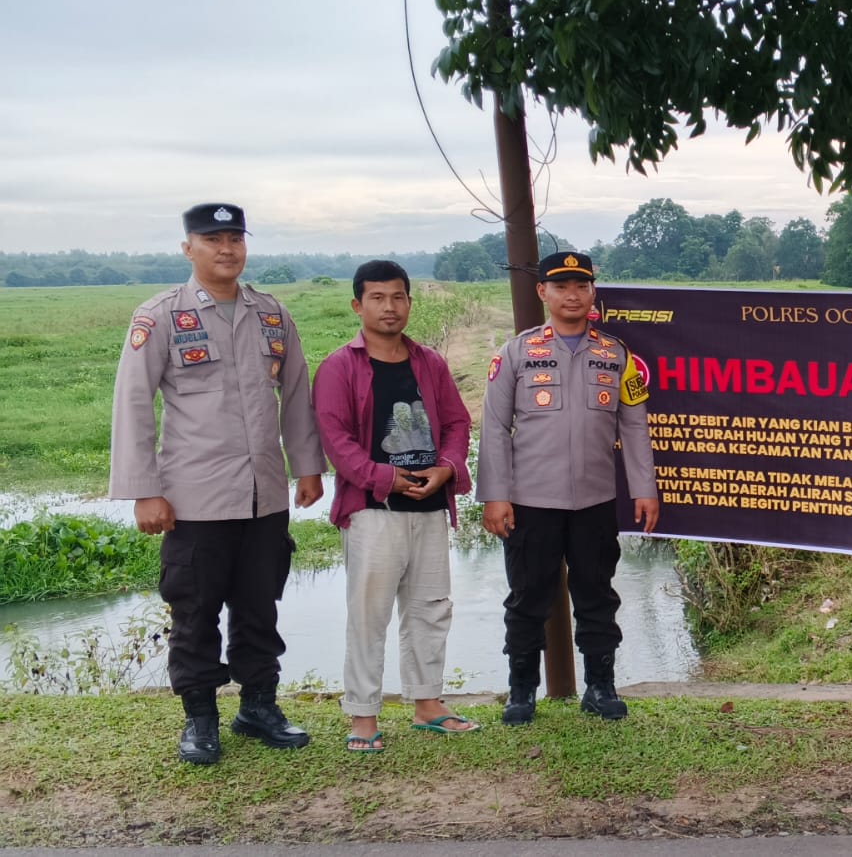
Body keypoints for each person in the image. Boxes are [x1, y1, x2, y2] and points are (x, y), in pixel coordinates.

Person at [109, 203, 324, 765]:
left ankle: (258, 707)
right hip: (193, 497)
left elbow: (297, 394)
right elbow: (133, 404)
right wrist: (144, 491)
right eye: (212, 239)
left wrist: (307, 466)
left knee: (259, 606)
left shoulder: (272, 315)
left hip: (264, 495)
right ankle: (200, 718)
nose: (226, 249)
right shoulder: (160, 316)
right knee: (195, 610)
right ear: (189, 248)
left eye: (234, 238)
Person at [477, 250, 659, 724]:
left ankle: (600, 687)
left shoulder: (617, 355)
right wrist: (495, 495)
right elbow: (494, 427)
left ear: (593, 291)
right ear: (543, 293)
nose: (572, 295)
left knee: (597, 595)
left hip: (595, 501)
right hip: (531, 503)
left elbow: (634, 426)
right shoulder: (516, 353)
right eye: (561, 286)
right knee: (527, 597)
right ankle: (522, 691)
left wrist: (644, 488)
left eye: (581, 286)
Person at [312, 260, 477, 753]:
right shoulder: (340, 366)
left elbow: (457, 422)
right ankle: (362, 714)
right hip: (372, 509)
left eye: (398, 297)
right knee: (369, 613)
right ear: (357, 305)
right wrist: (385, 477)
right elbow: (336, 440)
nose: (390, 307)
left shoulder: (429, 362)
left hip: (428, 507)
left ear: (409, 301)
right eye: (378, 298)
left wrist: (446, 468)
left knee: (430, 609)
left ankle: (427, 704)